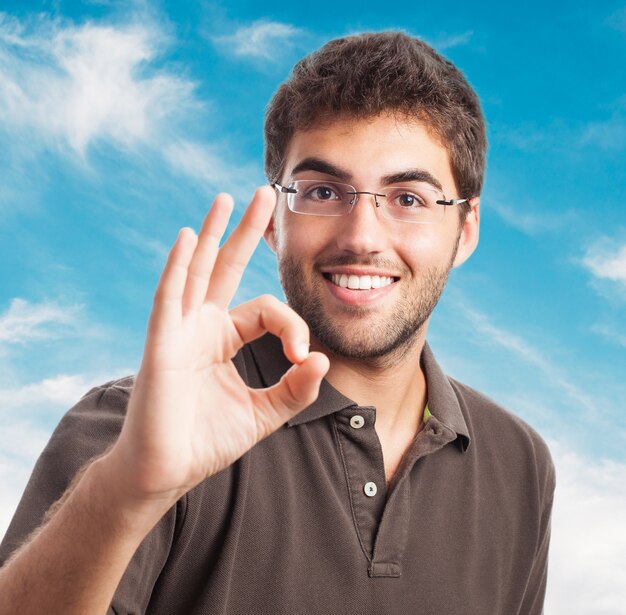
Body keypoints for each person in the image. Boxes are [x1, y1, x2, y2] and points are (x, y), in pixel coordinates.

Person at [0, 32, 555, 614]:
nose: (361, 237)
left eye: (408, 198)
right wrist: (126, 491)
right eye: (322, 191)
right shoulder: (134, 427)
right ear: (273, 223)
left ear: (465, 229)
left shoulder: (520, 463)